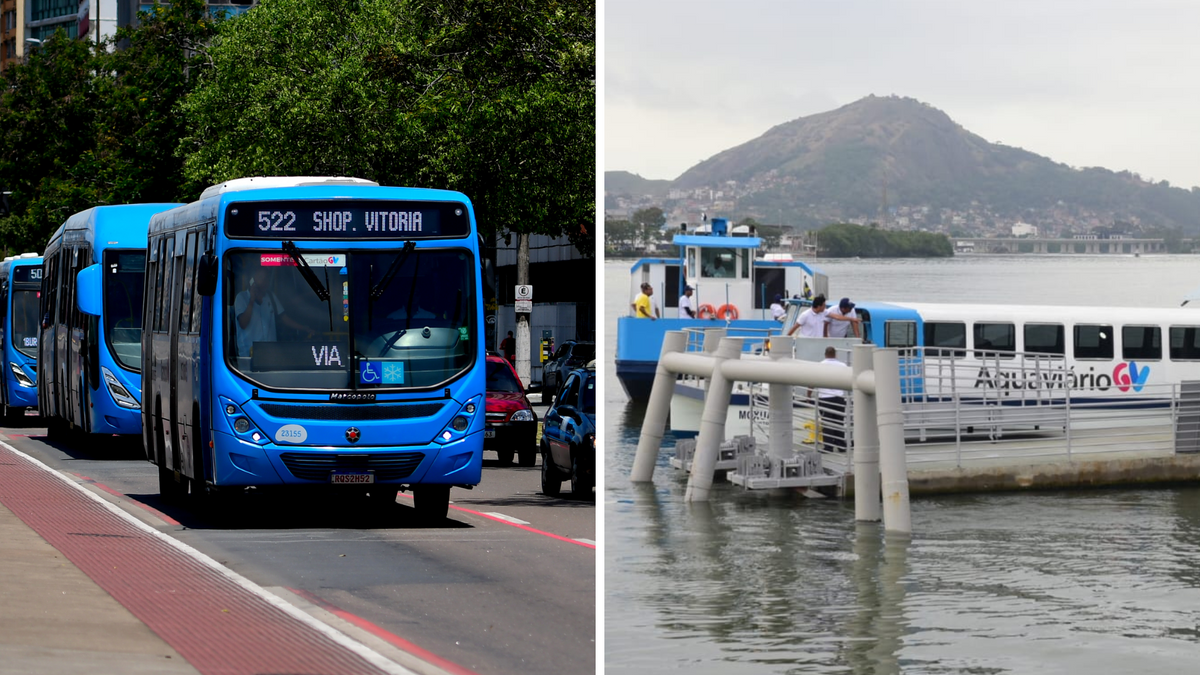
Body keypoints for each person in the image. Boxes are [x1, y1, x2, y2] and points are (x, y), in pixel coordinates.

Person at [234, 267, 310, 356]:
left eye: (267, 278)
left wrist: (304, 328)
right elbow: (243, 324)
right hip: (249, 354)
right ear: (252, 280)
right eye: (261, 278)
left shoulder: (271, 297)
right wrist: (251, 300)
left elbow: (284, 318)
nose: (264, 281)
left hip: (270, 354)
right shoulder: (242, 297)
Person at [813, 346, 850, 452]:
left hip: (825, 398)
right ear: (835, 354)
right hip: (839, 397)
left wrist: (808, 393)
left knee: (827, 423)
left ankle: (828, 447)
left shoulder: (819, 365)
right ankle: (841, 446)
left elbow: (812, 380)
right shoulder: (843, 365)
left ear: (825, 354)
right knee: (839, 422)